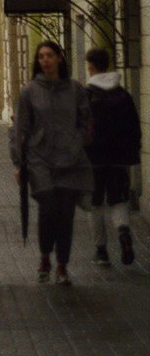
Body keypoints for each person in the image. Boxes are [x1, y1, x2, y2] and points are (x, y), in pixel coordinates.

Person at [10, 40, 93, 285]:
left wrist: (78, 143)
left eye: (49, 55)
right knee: (48, 210)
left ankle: (62, 266)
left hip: (71, 160)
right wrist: (18, 162)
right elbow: (20, 129)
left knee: (66, 214)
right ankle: (45, 255)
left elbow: (85, 122)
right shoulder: (29, 91)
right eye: (41, 56)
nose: (45, 60)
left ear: (59, 58)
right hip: (40, 160)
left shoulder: (75, 89)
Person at [85, 47, 141, 267]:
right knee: (119, 199)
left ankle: (101, 251)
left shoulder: (87, 94)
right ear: (107, 65)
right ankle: (123, 231)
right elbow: (134, 126)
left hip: (93, 159)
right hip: (119, 158)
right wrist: (132, 152)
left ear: (91, 68)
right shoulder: (123, 94)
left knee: (95, 204)